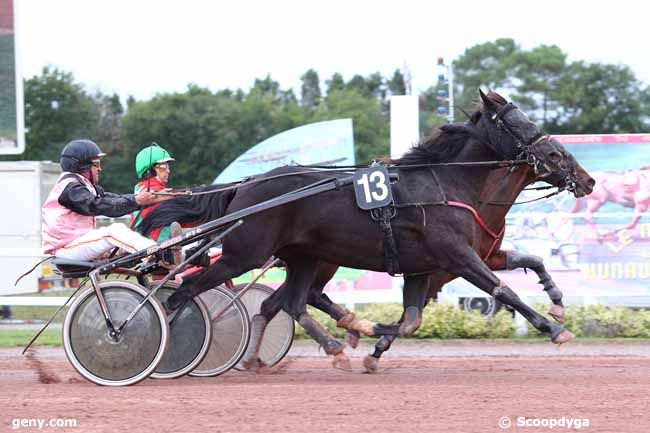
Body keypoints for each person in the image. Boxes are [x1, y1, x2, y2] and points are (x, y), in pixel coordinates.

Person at [41, 139, 182, 265]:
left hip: (77, 246)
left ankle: (171, 255)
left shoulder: (83, 185)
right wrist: (137, 200)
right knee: (114, 231)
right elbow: (98, 205)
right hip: (66, 250)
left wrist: (140, 200)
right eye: (96, 164)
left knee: (124, 242)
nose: (100, 168)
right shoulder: (70, 187)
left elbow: (112, 199)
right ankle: (156, 254)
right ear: (82, 166)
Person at [130, 144, 178, 241]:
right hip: (154, 246)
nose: (168, 171)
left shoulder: (140, 188)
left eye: (168, 166)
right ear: (149, 170)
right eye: (163, 166)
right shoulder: (151, 190)